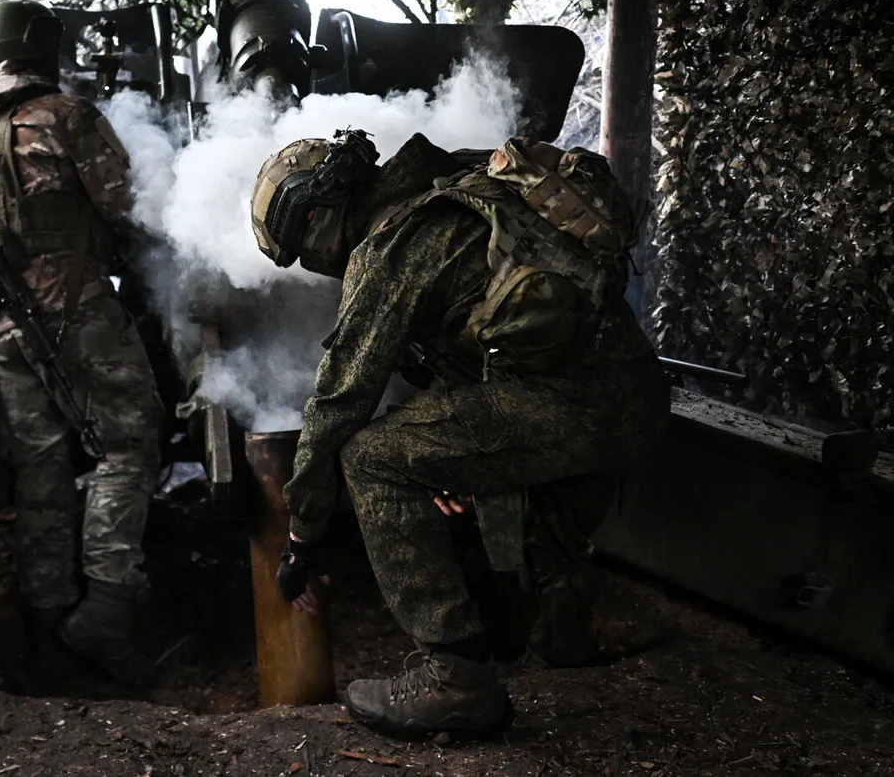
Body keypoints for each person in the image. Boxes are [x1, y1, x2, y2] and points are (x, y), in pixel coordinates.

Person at [248, 129, 671, 737]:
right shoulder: (456, 182)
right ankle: (567, 636)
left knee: (371, 458)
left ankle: (457, 679)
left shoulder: (388, 249)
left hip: (579, 411)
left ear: (314, 217)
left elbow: (339, 402)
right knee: (522, 490)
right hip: (632, 394)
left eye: (301, 250)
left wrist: (302, 536)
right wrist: (449, 457)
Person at [0, 0, 164, 688]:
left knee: (41, 474)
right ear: (39, 47)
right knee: (128, 443)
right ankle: (106, 614)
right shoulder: (65, 116)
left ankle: (49, 639)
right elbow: (127, 205)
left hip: (5, 326)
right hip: (76, 309)